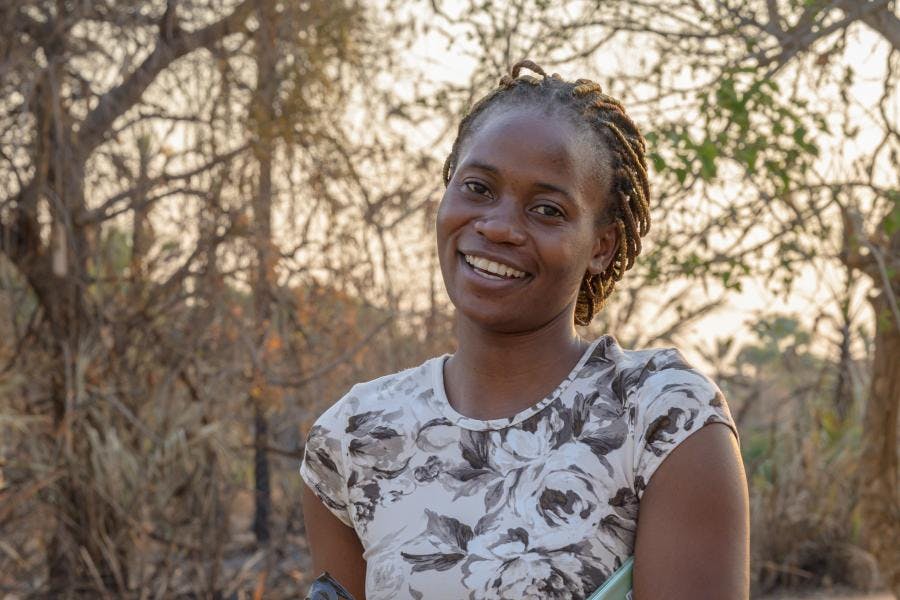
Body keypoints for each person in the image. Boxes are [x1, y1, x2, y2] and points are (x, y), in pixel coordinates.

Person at [300, 59, 750, 600]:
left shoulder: (662, 419)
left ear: (601, 246)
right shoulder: (354, 437)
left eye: (546, 209)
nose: (498, 227)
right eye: (478, 188)